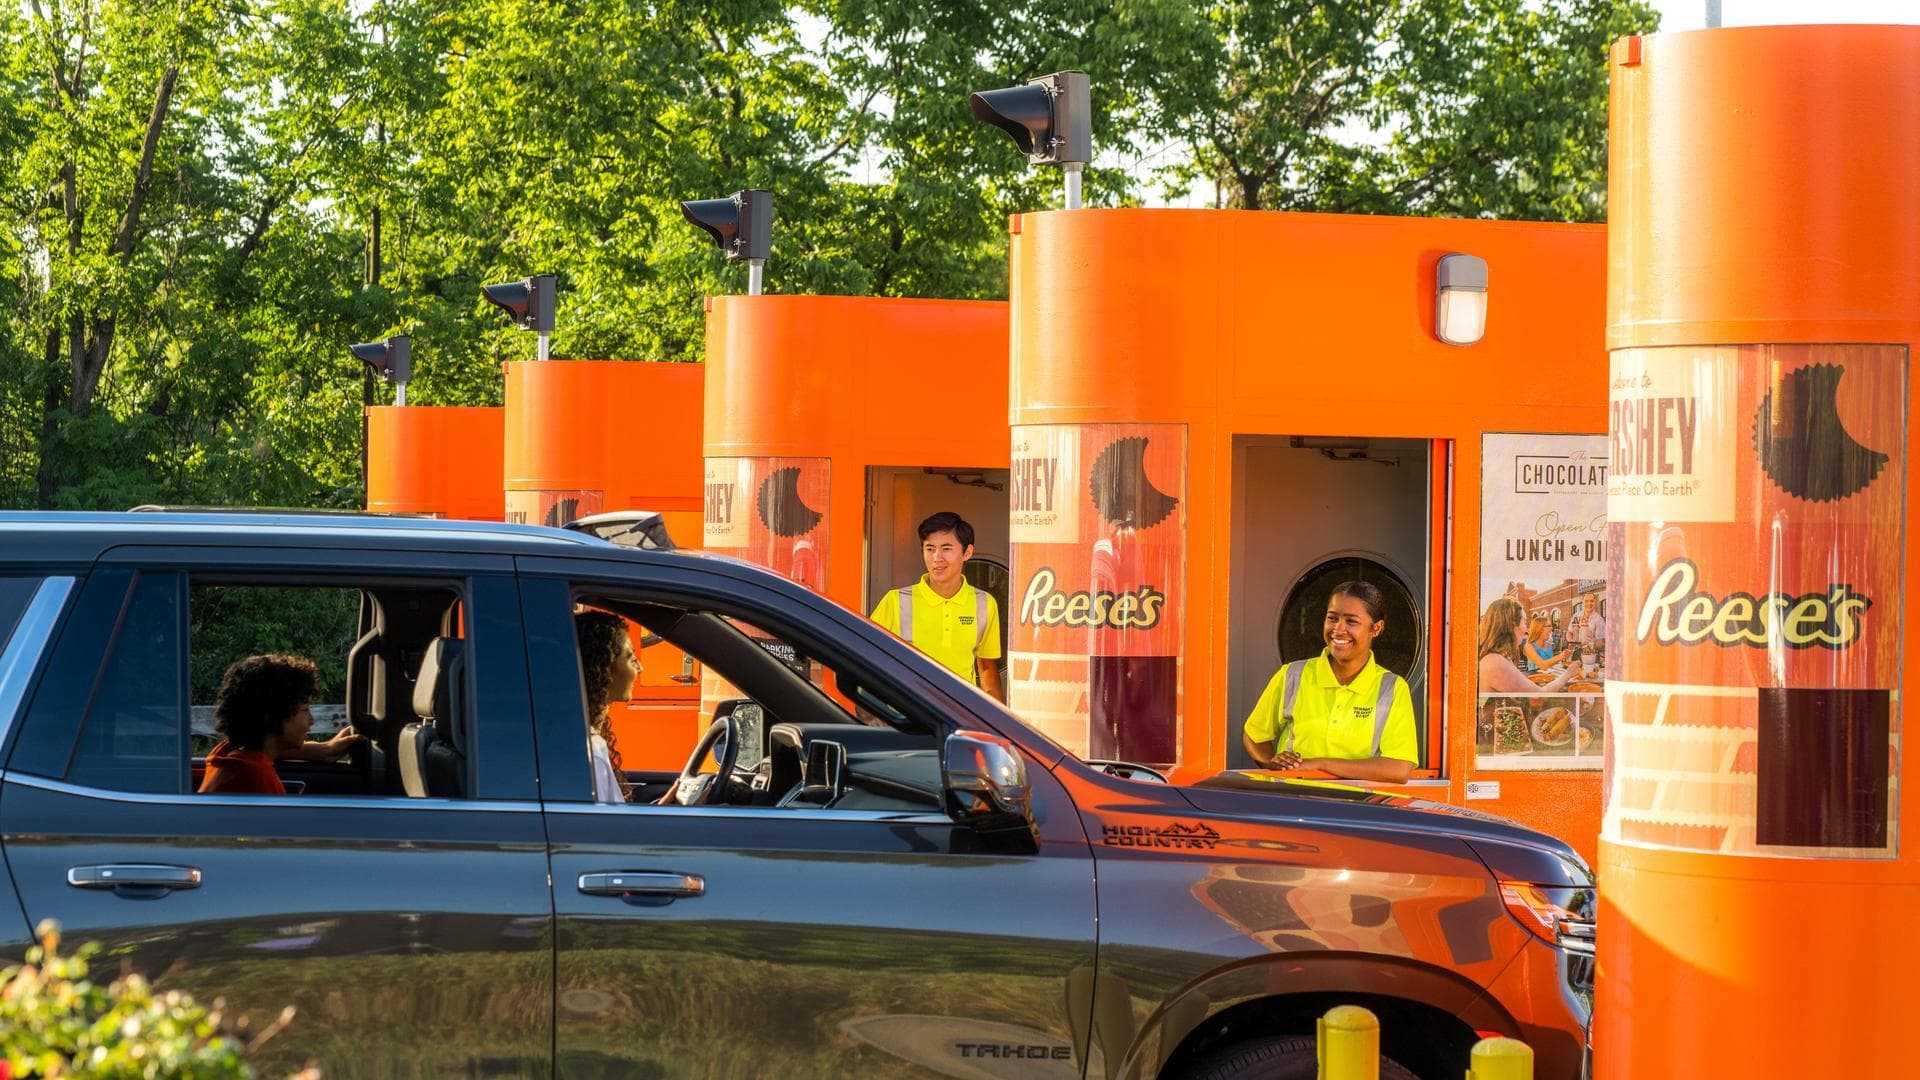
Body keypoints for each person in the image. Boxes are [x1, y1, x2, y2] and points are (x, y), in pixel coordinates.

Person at [1241, 581, 1419, 783]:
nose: (1338, 629)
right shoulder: (1292, 675)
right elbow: (1254, 736)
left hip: (1356, 808)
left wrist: (1320, 764)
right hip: (1293, 803)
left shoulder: (1392, 688)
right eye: (1332, 618)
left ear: (1376, 628)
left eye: (1351, 621)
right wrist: (1273, 764)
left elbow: (1398, 769)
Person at [870, 511, 1004, 702]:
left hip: (959, 714)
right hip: (907, 715)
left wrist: (996, 721)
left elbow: (986, 667)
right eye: (930, 548)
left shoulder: (984, 603)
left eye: (946, 548)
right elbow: (870, 657)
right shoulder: (895, 601)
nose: (936, 557)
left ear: (967, 552)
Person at [199, 654, 365, 795]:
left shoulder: (228, 754)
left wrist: (325, 750)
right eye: (305, 710)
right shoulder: (257, 778)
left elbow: (274, 749)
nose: (311, 720)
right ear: (273, 716)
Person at [575, 611, 641, 804]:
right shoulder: (591, 752)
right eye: (630, 658)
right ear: (603, 666)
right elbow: (606, 831)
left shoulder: (584, 739)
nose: (639, 668)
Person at [1478, 597, 1586, 694]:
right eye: (1524, 622)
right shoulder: (1496, 663)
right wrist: (1569, 673)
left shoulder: (1499, 657)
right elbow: (1539, 695)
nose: (1526, 629)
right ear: (1511, 625)